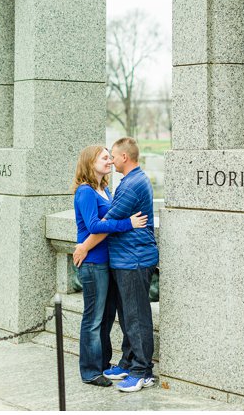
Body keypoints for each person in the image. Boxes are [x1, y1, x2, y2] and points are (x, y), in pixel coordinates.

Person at [73, 137, 159, 393]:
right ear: (90, 163)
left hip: (131, 260)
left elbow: (109, 220)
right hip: (110, 261)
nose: (110, 160)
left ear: (124, 158)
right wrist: (86, 246)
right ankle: (119, 364)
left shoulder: (125, 186)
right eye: (104, 157)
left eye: (111, 156)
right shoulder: (92, 190)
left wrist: (85, 245)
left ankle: (141, 371)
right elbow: (97, 224)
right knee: (114, 316)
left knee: (133, 316)